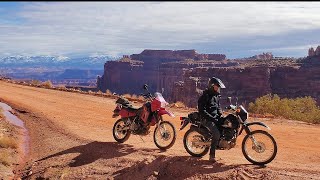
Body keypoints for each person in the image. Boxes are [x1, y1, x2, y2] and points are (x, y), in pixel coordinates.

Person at [197, 77, 226, 162]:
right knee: (216, 134)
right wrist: (212, 118)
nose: (218, 88)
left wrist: (221, 114)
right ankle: (212, 155)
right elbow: (202, 111)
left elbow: (218, 107)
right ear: (212, 86)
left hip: (214, 117)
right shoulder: (205, 96)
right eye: (217, 86)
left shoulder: (216, 95)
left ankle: (220, 143)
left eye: (218, 87)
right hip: (206, 119)